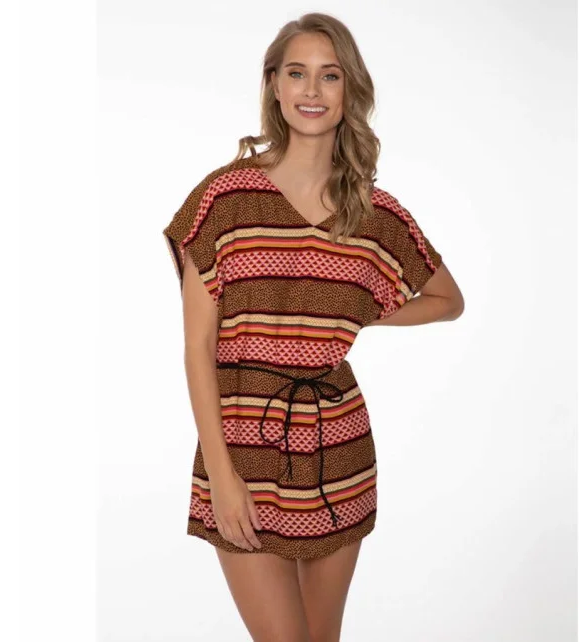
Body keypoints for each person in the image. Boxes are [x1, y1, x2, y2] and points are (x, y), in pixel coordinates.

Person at [162, 12, 464, 642]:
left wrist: (355, 311)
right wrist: (221, 476)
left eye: (330, 76)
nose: (312, 90)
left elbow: (446, 299)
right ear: (273, 84)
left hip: (337, 448)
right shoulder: (224, 198)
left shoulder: (373, 212)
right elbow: (196, 349)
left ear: (350, 89)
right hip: (240, 444)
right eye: (297, 73)